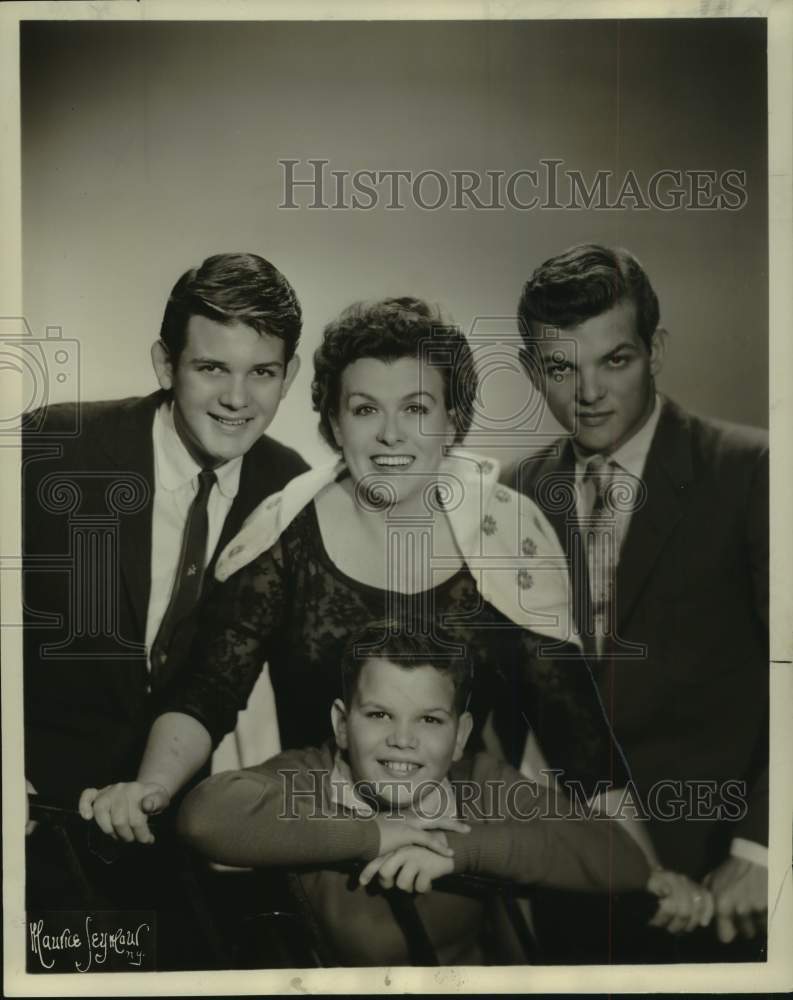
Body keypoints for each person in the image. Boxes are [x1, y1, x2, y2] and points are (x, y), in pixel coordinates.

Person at [82, 296, 707, 949]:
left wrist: (648, 872)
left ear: (451, 420)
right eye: (363, 410)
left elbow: (577, 736)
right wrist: (150, 788)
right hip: (320, 851)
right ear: (331, 420)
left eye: (414, 409)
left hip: (464, 850)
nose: (389, 436)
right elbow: (208, 690)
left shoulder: (507, 534)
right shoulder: (280, 534)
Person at [23, 252, 308, 966]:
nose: (237, 398)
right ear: (165, 364)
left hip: (168, 825)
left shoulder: (288, 486)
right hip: (26, 818)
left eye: (262, 373)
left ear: (290, 376)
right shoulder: (53, 447)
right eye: (212, 368)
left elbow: (229, 670)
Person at [504, 243, 768, 961]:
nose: (587, 391)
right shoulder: (511, 496)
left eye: (613, 360)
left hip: (724, 886)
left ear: (655, 350)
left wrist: (764, 848)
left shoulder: (751, 472)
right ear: (533, 371)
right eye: (561, 368)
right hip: (568, 880)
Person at [177, 621, 660, 966]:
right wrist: (376, 833)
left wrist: (460, 851)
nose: (403, 739)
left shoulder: (478, 784)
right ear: (342, 726)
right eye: (379, 715)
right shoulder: (313, 777)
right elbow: (203, 819)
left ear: (460, 734)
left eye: (429, 720)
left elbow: (624, 859)